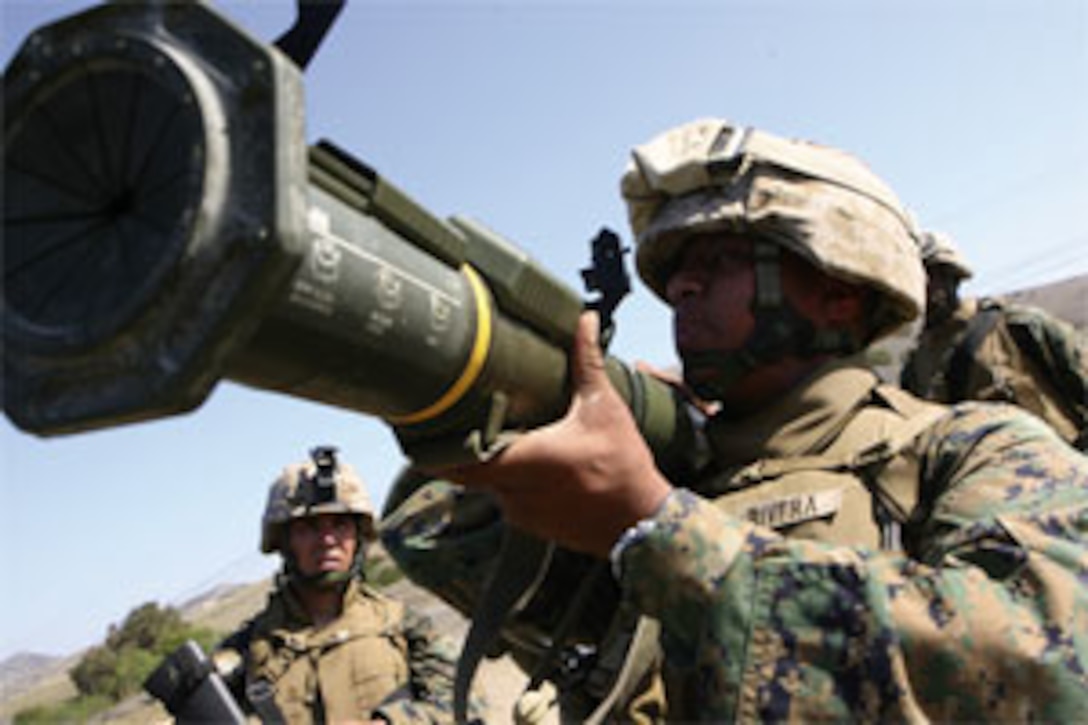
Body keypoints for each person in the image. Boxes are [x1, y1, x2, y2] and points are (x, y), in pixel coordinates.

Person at [381, 118, 1088, 721]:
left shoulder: (968, 449)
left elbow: (1045, 667)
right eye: (677, 266)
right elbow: (431, 539)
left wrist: (660, 530)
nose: (682, 284)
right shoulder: (680, 467)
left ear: (839, 292)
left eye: (720, 258)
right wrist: (524, 402)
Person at [214, 446, 458, 724]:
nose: (327, 540)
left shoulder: (404, 626)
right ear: (283, 542)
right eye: (309, 527)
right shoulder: (245, 653)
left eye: (340, 524)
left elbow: (465, 705)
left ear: (358, 535)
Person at [901, 230, 1088, 450]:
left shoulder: (1018, 327)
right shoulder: (914, 365)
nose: (919, 289)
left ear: (951, 275)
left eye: (927, 276)